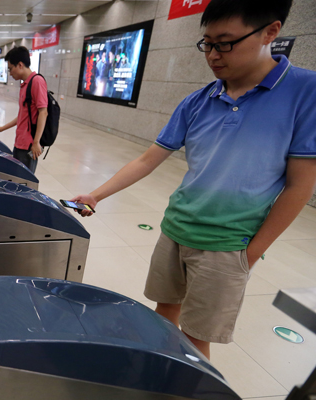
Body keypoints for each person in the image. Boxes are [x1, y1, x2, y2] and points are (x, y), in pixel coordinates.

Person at [72, 0, 316, 360]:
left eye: (225, 42)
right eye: (208, 43)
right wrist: (95, 194)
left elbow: (300, 186)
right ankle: (159, 378)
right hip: (176, 230)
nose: (214, 55)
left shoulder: (304, 92)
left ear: (270, 31)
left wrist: (250, 254)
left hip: (229, 244)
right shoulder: (198, 100)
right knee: (163, 315)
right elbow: (147, 159)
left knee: (196, 340)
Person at [0, 46, 48, 173]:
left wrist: (36, 142)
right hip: (20, 143)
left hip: (29, 146)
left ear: (20, 65)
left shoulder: (37, 81)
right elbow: (23, 115)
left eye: (10, 69)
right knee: (17, 179)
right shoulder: (25, 84)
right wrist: (2, 128)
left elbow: (43, 112)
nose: (10, 73)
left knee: (24, 184)